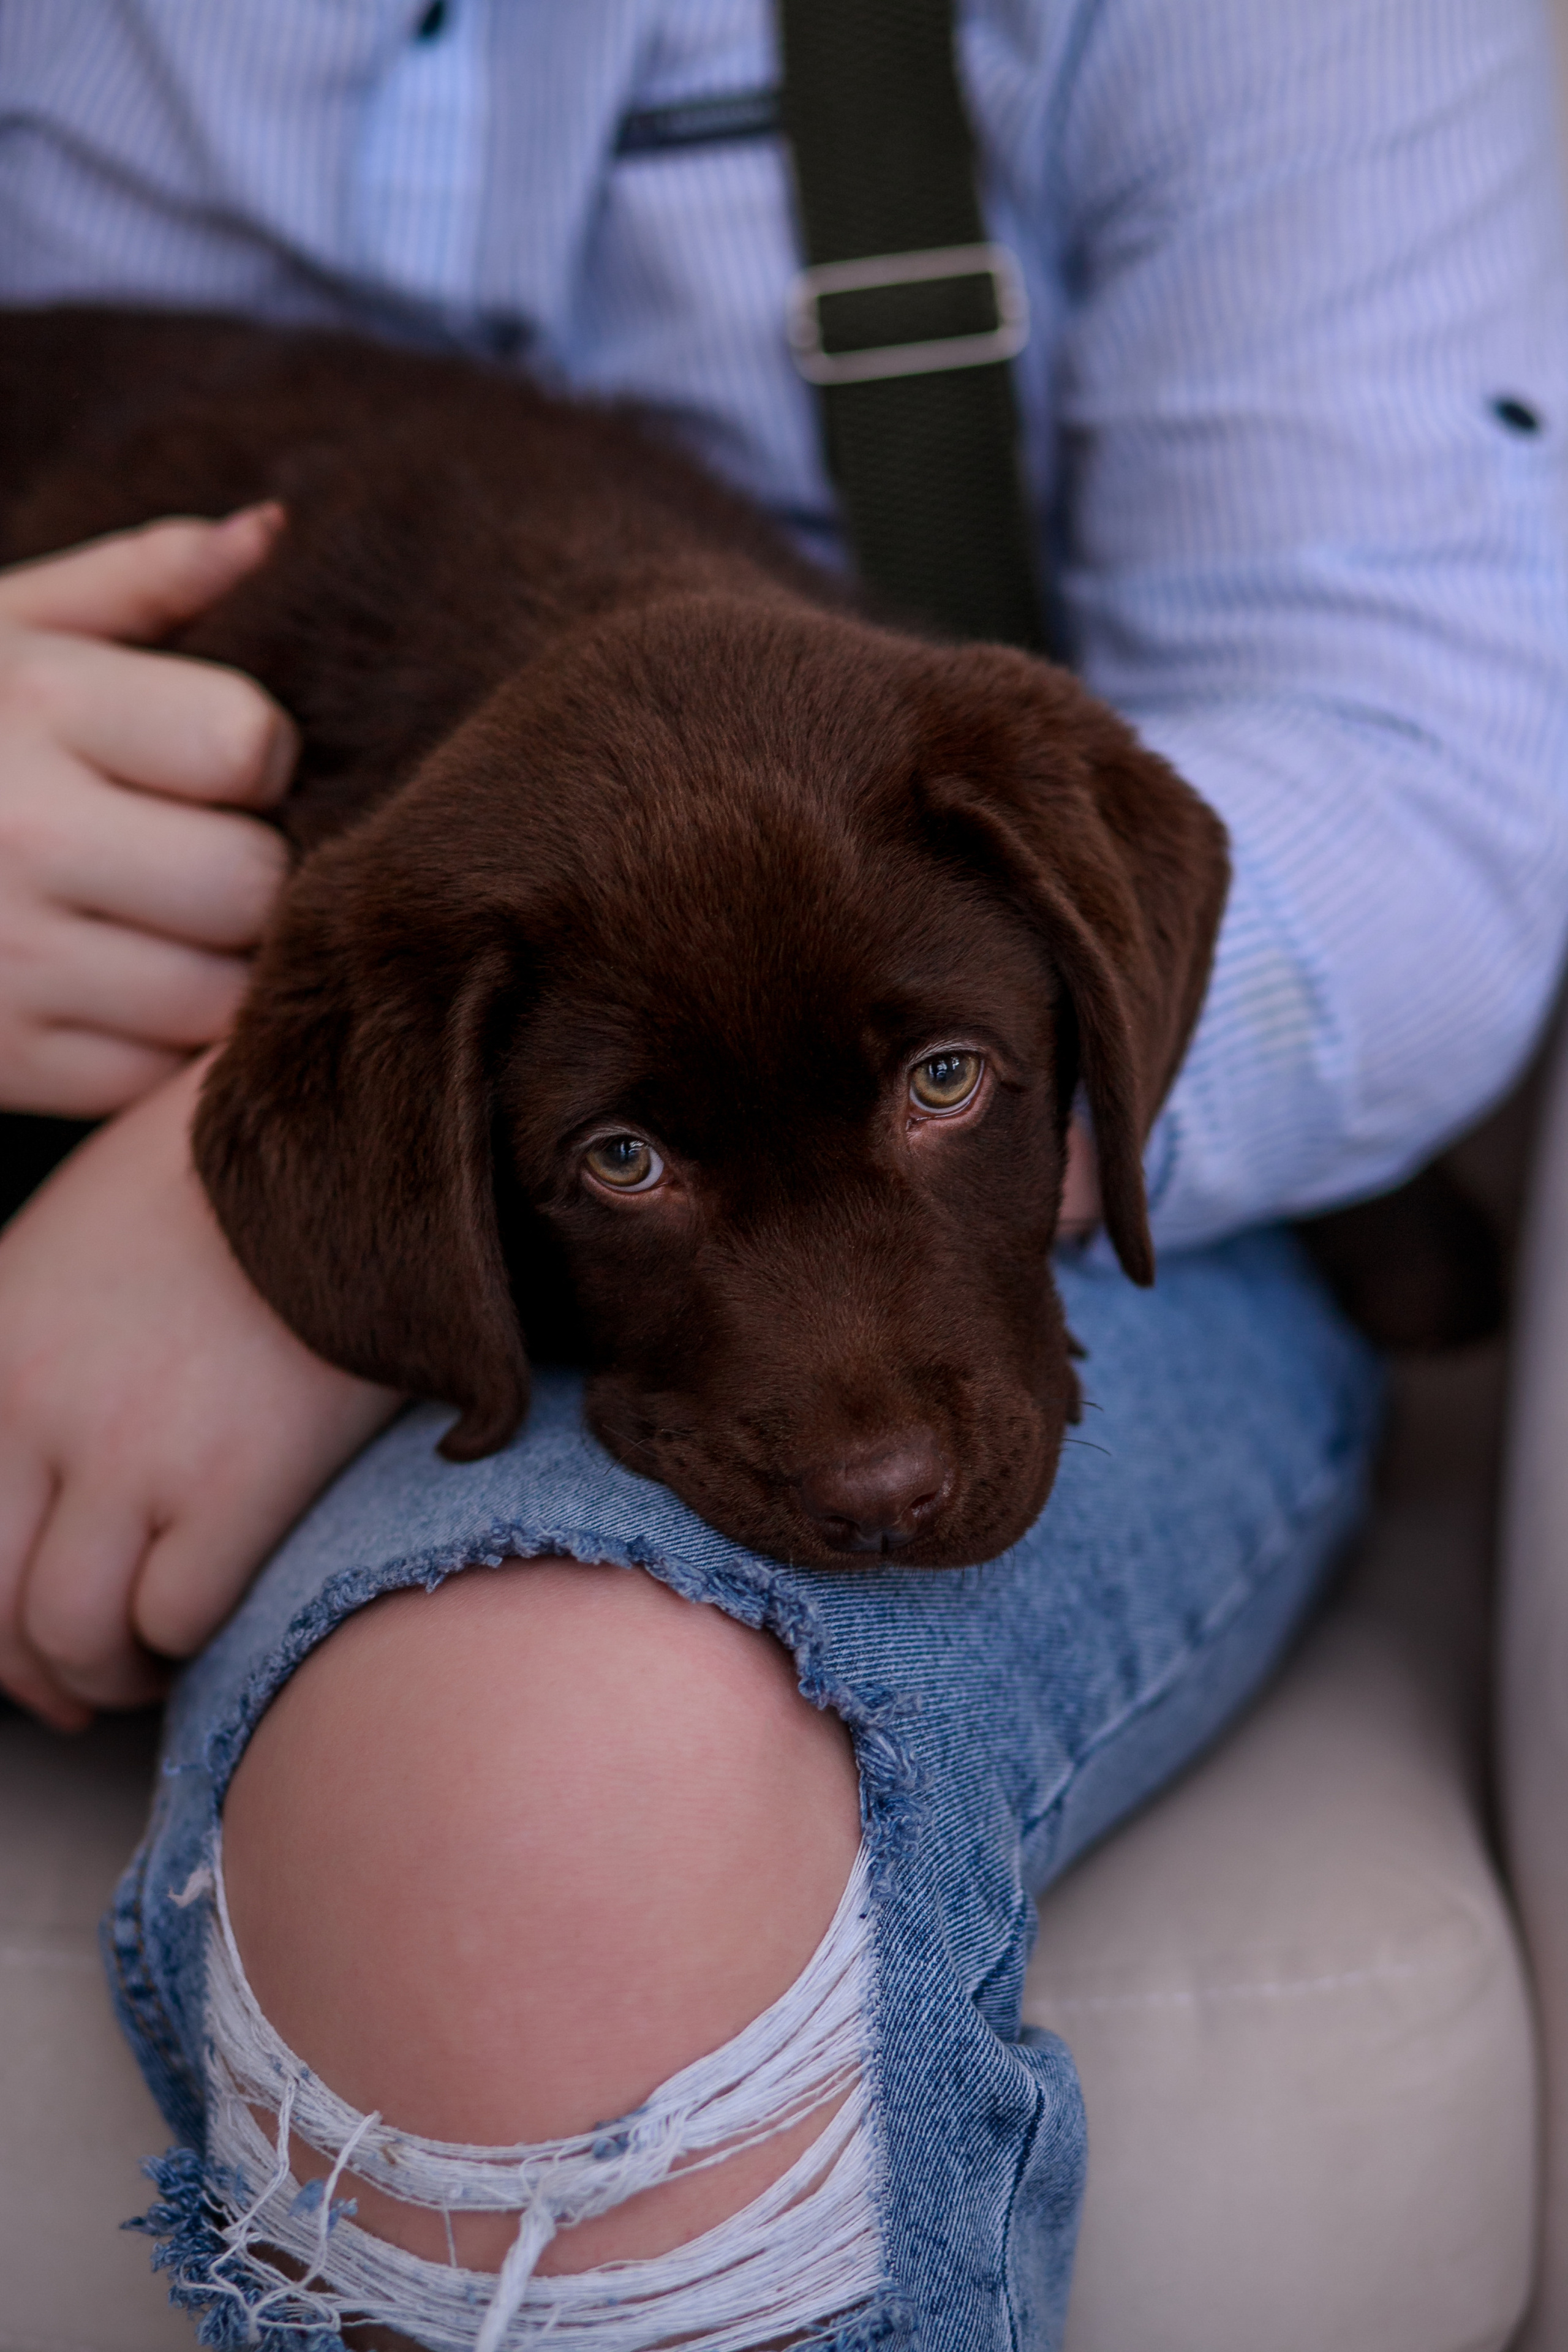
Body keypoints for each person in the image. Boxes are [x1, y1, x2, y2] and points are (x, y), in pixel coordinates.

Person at [1, 1, 1566, 2343]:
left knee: (541, 1812)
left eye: (922, 1087)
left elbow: (1424, 768)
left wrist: (247, 1226)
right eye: (643, 1158)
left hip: (851, 1070)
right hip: (365, 1050)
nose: (874, 1443)